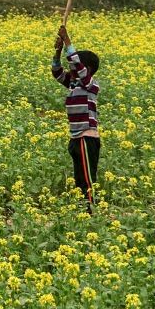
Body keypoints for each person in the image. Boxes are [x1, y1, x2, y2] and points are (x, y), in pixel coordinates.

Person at [52, 25, 101, 212]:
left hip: (87, 137)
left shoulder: (91, 85)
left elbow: (78, 67)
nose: (70, 68)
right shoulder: (73, 84)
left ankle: (90, 210)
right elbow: (57, 73)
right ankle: (82, 209)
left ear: (86, 69)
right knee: (79, 176)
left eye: (75, 65)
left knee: (87, 177)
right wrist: (57, 52)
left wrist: (67, 42)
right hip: (76, 138)